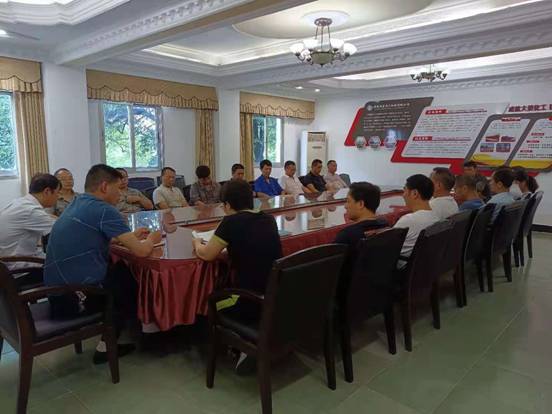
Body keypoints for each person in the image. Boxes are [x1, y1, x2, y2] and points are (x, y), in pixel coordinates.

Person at [44, 164, 162, 364]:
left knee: (123, 272)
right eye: (118, 188)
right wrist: (152, 239)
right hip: (72, 299)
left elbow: (93, 234)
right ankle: (114, 344)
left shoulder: (78, 201)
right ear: (105, 187)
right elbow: (142, 251)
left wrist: (130, 237)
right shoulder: (104, 209)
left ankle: (133, 329)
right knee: (131, 284)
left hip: (56, 291)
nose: (120, 194)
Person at [193, 179, 282, 373]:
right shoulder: (268, 219)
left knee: (207, 303)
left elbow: (207, 255)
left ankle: (240, 344)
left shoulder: (230, 222)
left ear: (227, 205)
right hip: (274, 294)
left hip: (248, 300)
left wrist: (197, 242)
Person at [334, 182, 388, 277]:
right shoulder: (385, 226)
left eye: (348, 201)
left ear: (360, 204)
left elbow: (330, 269)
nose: (345, 206)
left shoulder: (347, 235)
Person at [0, 173, 59, 261]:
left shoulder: (20, 203)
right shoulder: (31, 211)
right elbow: (62, 229)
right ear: (47, 191)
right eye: (57, 193)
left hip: (8, 260)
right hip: (19, 264)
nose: (58, 197)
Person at [393, 174, 440, 261]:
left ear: (414, 193)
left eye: (405, 190)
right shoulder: (436, 217)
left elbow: (388, 247)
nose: (403, 195)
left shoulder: (408, 220)